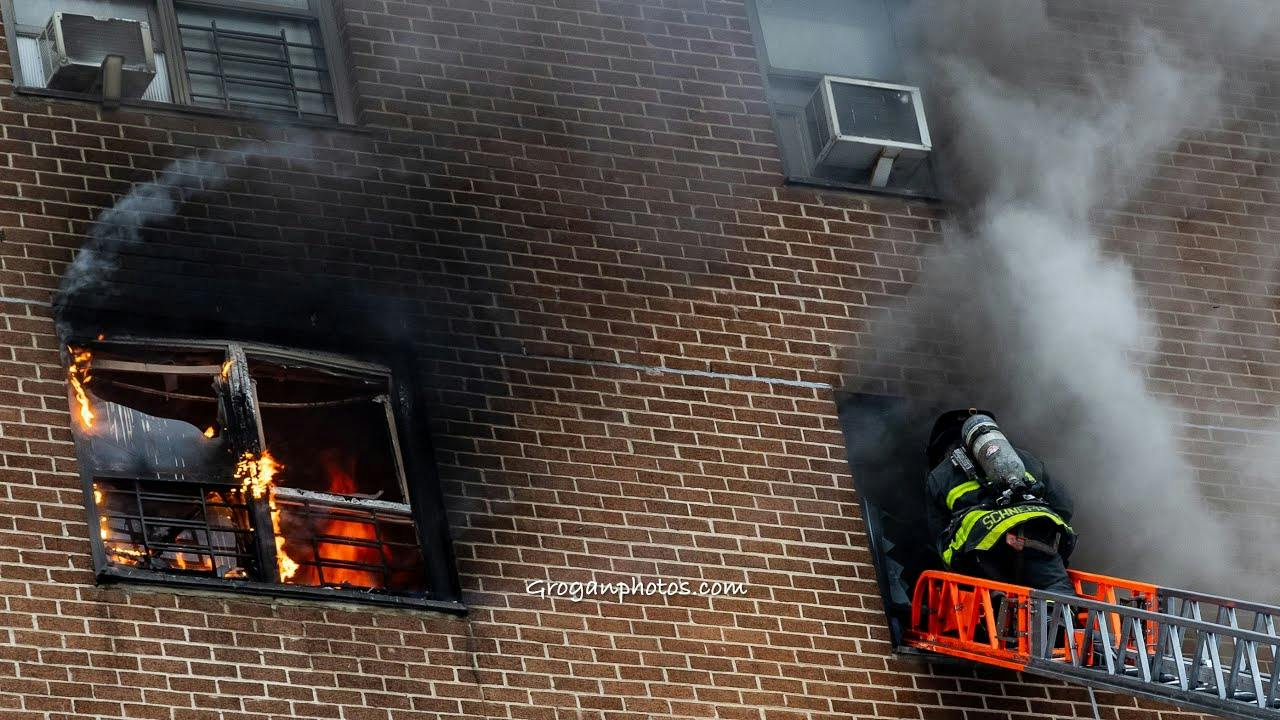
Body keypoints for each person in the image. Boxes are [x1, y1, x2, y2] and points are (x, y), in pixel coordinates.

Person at [924, 408, 1077, 594]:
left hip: (986, 546)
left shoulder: (940, 475)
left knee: (994, 599)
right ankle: (1056, 618)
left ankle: (999, 607)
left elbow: (940, 535)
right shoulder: (1026, 459)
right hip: (1037, 534)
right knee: (1057, 591)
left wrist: (956, 566)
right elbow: (1063, 505)